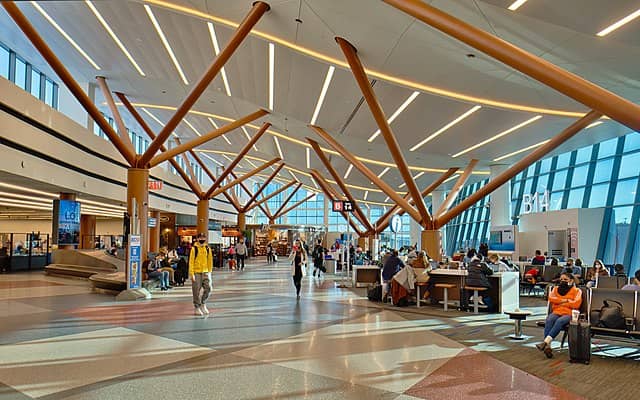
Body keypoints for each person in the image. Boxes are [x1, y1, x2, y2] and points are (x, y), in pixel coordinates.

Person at [536, 273, 582, 358]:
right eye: (561, 279)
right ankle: (548, 347)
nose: (563, 281)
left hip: (569, 313)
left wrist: (559, 301)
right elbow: (551, 298)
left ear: (571, 280)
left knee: (560, 321)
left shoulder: (577, 291)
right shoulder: (555, 289)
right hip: (557, 311)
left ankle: (546, 343)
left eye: (565, 279)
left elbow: (576, 304)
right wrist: (566, 300)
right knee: (549, 319)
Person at [189, 233, 213, 316]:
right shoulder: (194, 249)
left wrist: (209, 271)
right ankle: (197, 307)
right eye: (200, 238)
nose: (202, 239)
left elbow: (210, 260)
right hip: (196, 272)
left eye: (203, 237)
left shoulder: (207, 248)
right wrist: (191, 274)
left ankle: (203, 303)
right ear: (197, 239)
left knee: (208, 288)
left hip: (206, 271)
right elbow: (191, 262)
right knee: (196, 290)